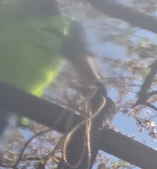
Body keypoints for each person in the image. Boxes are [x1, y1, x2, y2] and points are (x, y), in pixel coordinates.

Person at [0, 0, 103, 141]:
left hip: (12, 102)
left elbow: (80, 55)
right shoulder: (5, 6)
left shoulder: (68, 26)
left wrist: (95, 85)